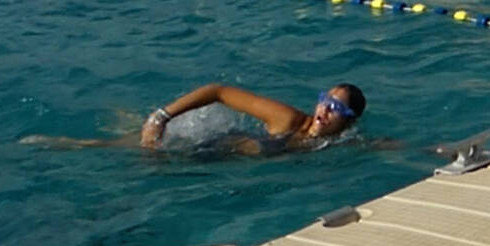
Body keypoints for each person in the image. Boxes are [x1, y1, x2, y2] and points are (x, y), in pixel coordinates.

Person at [140, 82, 365, 154]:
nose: (324, 110)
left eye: (335, 107)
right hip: (202, 150)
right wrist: (159, 118)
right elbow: (218, 91)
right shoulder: (287, 120)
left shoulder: (338, 142)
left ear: (349, 119)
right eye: (324, 100)